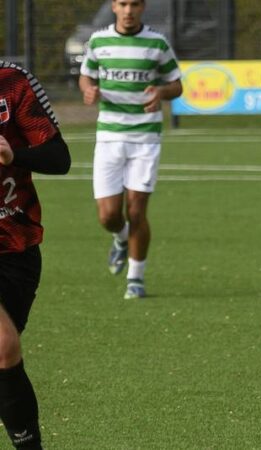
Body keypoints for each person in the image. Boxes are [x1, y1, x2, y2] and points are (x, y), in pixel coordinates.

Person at [79, 0, 183, 299]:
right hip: (110, 136)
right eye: (123, 4)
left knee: (136, 210)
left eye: (134, 4)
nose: (128, 10)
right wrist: (88, 88)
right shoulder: (99, 40)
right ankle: (120, 238)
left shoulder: (156, 42)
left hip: (145, 138)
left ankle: (135, 278)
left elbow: (177, 84)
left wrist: (161, 91)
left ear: (142, 7)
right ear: (114, 6)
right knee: (108, 216)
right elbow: (87, 74)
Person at [0, 61, 71, 449]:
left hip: (17, 244)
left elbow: (59, 158)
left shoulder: (12, 80)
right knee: (3, 345)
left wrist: (15, 156)